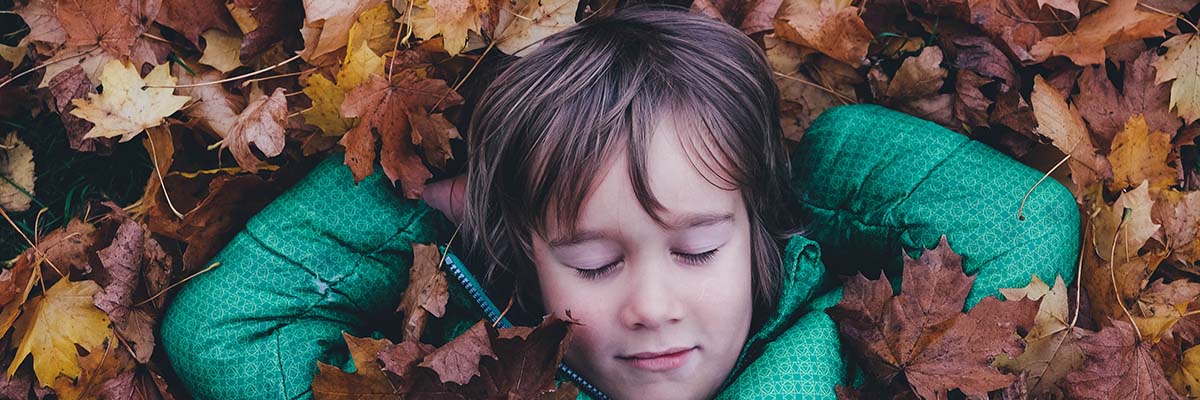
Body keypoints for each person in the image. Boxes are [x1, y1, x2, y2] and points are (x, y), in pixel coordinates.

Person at [160, 4, 1081, 400]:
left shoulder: (840, 334)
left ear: (757, 226)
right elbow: (223, 332)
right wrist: (426, 198)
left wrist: (806, 167)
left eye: (696, 249)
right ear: (524, 253)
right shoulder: (468, 370)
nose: (650, 305)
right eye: (594, 261)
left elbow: (1026, 221)